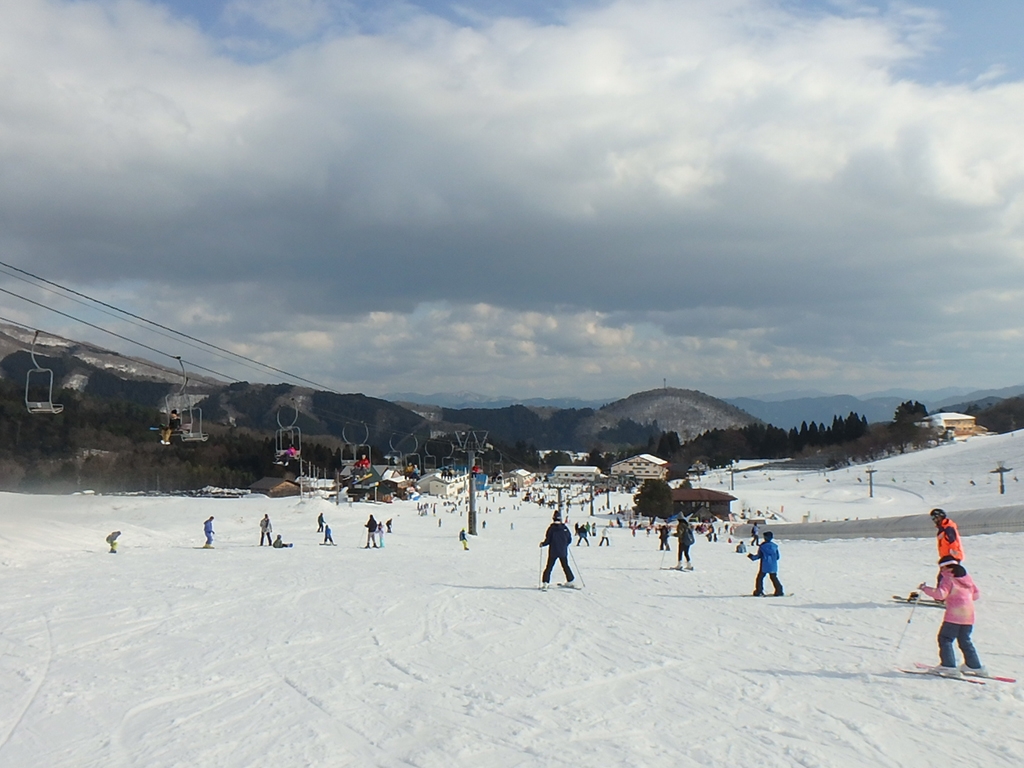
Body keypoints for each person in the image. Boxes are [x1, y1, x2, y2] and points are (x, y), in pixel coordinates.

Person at [918, 556, 985, 677]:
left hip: (954, 615)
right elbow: (976, 595)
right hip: (968, 615)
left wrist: (925, 588)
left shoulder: (948, 578)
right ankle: (974, 665)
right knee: (965, 640)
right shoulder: (967, 578)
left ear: (945, 567)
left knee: (945, 638)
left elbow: (940, 594)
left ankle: (948, 666)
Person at [539, 512, 575, 589]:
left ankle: (545, 582)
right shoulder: (564, 528)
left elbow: (548, 540)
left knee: (549, 567)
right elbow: (569, 539)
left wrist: (543, 544)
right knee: (565, 566)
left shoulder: (551, 529)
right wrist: (564, 545)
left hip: (553, 551)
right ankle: (570, 580)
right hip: (563, 551)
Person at [748, 531, 783, 596]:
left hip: (764, 565)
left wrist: (752, 557)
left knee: (760, 578)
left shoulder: (762, 546)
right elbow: (777, 557)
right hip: (773, 565)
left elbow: (759, 556)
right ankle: (779, 590)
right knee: (773, 577)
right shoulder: (775, 546)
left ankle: (759, 591)